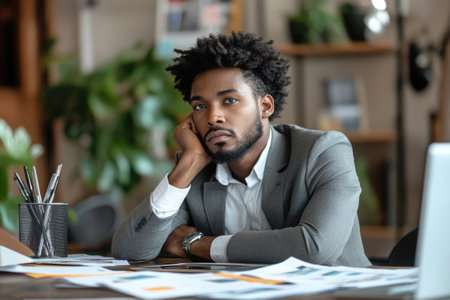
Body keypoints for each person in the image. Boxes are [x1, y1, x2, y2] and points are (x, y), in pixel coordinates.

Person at [111, 31, 371, 267]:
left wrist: (197, 244)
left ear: (265, 107)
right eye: (200, 106)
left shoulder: (323, 151)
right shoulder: (198, 167)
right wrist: (188, 164)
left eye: (230, 100)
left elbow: (315, 248)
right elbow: (130, 250)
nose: (213, 117)